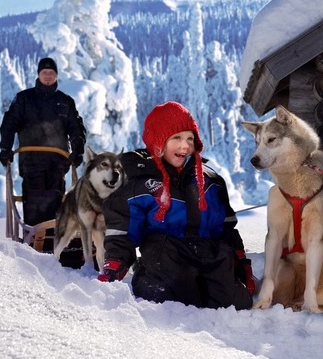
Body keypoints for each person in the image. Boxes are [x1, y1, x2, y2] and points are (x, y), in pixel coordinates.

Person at [98, 101, 255, 311]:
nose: (185, 145)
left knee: (238, 302)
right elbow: (122, 230)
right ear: (158, 141)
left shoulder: (211, 181)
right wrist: (115, 265)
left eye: (190, 138)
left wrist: (241, 264)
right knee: (164, 295)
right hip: (165, 258)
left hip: (207, 256)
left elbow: (226, 229)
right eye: (177, 138)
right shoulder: (139, 181)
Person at [0, 57, 86, 230]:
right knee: (34, 197)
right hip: (31, 159)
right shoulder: (24, 99)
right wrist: (5, 148)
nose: (48, 76)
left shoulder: (65, 101)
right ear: (38, 74)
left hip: (57, 160)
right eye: (44, 72)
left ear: (56, 76)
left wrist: (77, 150)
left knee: (56, 197)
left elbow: (76, 128)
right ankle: (34, 235)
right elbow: (9, 123)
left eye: (51, 73)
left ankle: (56, 237)